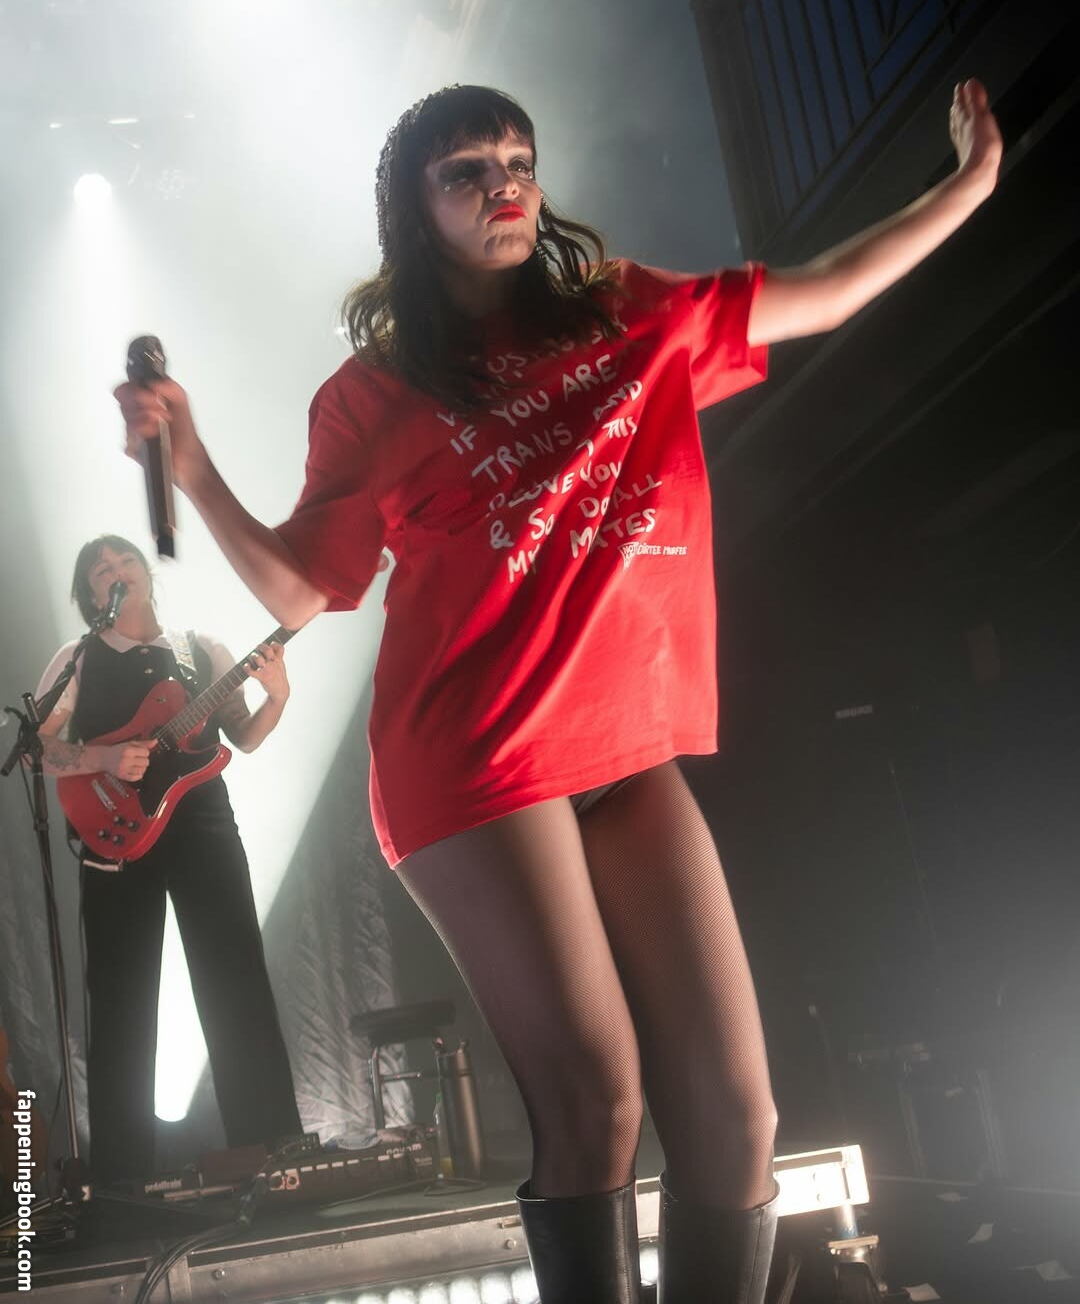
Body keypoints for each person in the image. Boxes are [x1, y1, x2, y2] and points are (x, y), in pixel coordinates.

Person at [116, 81, 1001, 1301]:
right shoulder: (374, 394)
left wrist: (969, 185)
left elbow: (828, 286)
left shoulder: (629, 313)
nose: (504, 184)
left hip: (624, 751)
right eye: (466, 171)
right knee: (598, 1100)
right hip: (474, 759)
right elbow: (306, 587)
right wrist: (193, 465)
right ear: (414, 211)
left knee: (739, 1118)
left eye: (517, 159)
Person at [35, 534, 302, 1186]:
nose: (115, 571)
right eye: (100, 569)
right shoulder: (76, 658)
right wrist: (103, 757)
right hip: (114, 830)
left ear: (147, 571)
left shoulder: (201, 649)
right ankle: (121, 1180)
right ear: (89, 593)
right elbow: (41, 747)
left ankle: (276, 1154)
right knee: (121, 996)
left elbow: (242, 737)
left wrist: (277, 697)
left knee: (235, 977)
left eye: (125, 559)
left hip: (203, 824)